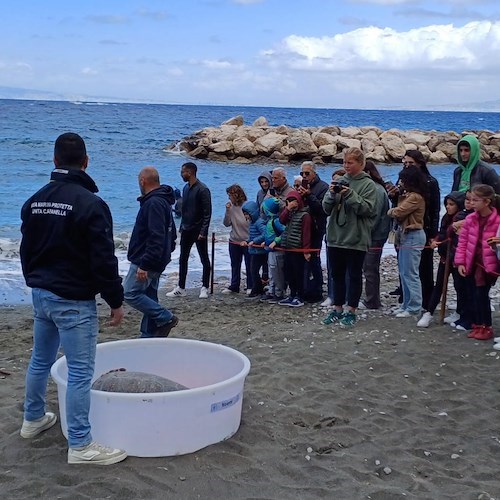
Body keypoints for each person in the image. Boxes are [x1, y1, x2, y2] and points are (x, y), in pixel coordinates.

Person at [19, 132, 127, 465]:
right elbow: (104, 259)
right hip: (72, 300)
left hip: (42, 295)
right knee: (80, 372)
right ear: (86, 162)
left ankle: (33, 418)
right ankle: (80, 445)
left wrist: (34, 281)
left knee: (41, 359)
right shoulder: (91, 204)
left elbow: (27, 250)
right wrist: (115, 299)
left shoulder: (35, 200)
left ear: (54, 161)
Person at [322, 148, 377, 326]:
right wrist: (332, 194)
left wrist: (350, 194)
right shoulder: (340, 180)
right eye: (344, 162)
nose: (346, 166)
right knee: (336, 275)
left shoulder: (369, 185)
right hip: (335, 237)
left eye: (350, 163)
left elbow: (368, 209)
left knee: (353, 275)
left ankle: (351, 310)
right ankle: (337, 308)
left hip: (356, 238)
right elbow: (326, 208)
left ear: (360, 164)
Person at [124, 167, 178, 338]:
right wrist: (166, 253)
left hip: (147, 260)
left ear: (142, 181)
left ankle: (166, 317)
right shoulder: (163, 201)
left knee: (130, 293)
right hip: (158, 258)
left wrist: (144, 264)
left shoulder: (154, 202)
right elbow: (172, 233)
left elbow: (156, 236)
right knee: (149, 295)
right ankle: (148, 334)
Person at [387, 150, 440, 311]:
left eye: (411, 163)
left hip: (421, 228)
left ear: (420, 163)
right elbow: (399, 205)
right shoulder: (406, 184)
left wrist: (433, 234)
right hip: (404, 229)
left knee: (419, 269)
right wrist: (394, 195)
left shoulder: (428, 183)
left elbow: (434, 210)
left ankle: (420, 303)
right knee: (405, 270)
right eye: (405, 163)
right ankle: (407, 301)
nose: (408, 166)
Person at [454, 184, 500, 340]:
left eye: (475, 200)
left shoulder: (497, 220)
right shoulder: (470, 219)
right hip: (470, 262)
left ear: (487, 202)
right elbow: (463, 242)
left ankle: (486, 326)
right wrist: (460, 262)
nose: (471, 203)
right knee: (472, 293)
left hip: (487, 264)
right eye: (471, 200)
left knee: (482, 294)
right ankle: (477, 324)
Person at [417, 191, 465, 328]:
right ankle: (429, 313)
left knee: (459, 286)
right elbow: (442, 233)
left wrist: (441, 242)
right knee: (438, 286)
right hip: (445, 258)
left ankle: (459, 313)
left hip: (456, 258)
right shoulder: (446, 217)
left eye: (451, 204)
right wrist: (435, 240)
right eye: (447, 204)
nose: (448, 207)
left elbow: (453, 238)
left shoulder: (460, 219)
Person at [166, 162, 212, 299]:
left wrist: (203, 231)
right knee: (183, 259)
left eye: (183, 172)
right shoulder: (186, 188)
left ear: (190, 172)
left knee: (204, 258)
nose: (181, 174)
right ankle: (181, 287)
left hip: (198, 230)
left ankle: (205, 287)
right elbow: (184, 210)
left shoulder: (203, 189)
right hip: (186, 228)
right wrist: (181, 226)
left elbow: (207, 213)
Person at [388, 165, 427, 318]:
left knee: (411, 273)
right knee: (404, 272)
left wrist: (390, 211)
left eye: (403, 180)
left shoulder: (416, 197)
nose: (401, 183)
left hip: (414, 235)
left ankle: (414, 307)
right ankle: (406, 304)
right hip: (406, 234)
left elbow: (399, 211)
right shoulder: (408, 196)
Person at [296, 161, 329, 303]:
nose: (304, 176)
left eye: (307, 173)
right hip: (302, 226)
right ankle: (303, 289)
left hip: (316, 227)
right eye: (302, 173)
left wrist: (309, 195)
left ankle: (317, 290)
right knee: (301, 259)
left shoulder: (323, 187)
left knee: (314, 259)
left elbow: (323, 209)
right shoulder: (302, 185)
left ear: (314, 173)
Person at [361, 161, 391, 309]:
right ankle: (371, 297)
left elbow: (375, 215)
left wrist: (362, 232)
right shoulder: (375, 188)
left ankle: (372, 300)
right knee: (369, 268)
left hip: (375, 235)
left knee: (370, 268)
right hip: (374, 234)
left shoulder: (376, 190)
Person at [278, 190, 312, 307]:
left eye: (294, 200)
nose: (292, 203)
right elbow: (281, 220)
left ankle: (300, 296)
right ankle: (292, 294)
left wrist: (306, 251)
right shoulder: (290, 213)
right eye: (289, 200)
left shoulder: (305, 215)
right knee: (289, 273)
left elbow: (306, 233)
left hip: (298, 249)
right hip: (288, 247)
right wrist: (287, 209)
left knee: (299, 273)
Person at [222, 184, 251, 294]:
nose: (229, 197)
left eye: (230, 195)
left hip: (247, 240)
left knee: (249, 264)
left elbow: (250, 223)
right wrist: (228, 211)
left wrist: (250, 240)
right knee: (235, 264)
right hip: (234, 240)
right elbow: (226, 223)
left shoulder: (247, 206)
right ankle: (234, 285)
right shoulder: (231, 207)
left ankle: (250, 285)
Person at [259, 197, 286, 303]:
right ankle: (271, 291)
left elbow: (285, 232)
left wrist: (276, 241)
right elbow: (268, 234)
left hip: (277, 251)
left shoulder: (277, 221)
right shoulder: (269, 221)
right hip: (270, 251)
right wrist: (265, 242)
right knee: (272, 272)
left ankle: (279, 293)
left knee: (277, 273)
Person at [241, 200, 267, 298]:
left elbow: (265, 234)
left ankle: (257, 289)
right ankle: (258, 288)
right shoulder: (253, 222)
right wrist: (247, 242)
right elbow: (252, 237)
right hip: (254, 251)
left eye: (246, 214)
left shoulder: (259, 222)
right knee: (253, 271)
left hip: (259, 251)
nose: (246, 217)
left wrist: (255, 241)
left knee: (254, 271)